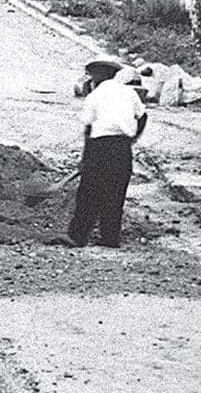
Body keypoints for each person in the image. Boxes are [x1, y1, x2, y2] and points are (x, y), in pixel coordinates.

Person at [55, 55, 145, 248]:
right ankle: (110, 239)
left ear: (97, 76)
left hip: (99, 147)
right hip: (122, 149)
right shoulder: (129, 93)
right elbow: (143, 116)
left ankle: (78, 237)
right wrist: (133, 138)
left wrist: (85, 159)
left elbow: (88, 128)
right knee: (115, 195)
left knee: (88, 193)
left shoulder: (94, 96)